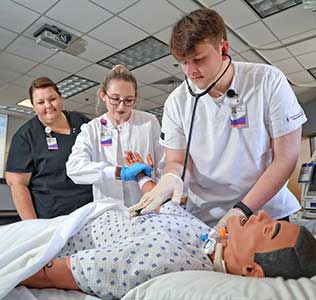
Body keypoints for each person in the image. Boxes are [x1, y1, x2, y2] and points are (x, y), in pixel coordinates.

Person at [129, 8, 307, 235]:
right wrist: (171, 178)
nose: (190, 71)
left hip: (266, 214)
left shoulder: (267, 81)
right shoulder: (176, 101)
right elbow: (177, 160)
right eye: (183, 62)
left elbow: (286, 157)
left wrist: (242, 209)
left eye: (198, 60)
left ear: (223, 49)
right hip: (205, 220)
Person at [19, 204, 316, 299]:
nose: (262, 214)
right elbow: (160, 205)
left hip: (57, 234)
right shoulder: (209, 240)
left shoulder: (168, 261)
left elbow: (50, 273)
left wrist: (15, 267)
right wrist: (148, 179)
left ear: (251, 271)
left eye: (269, 229)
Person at [66, 64, 163, 208]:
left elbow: (163, 165)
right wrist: (118, 172)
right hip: (108, 209)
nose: (121, 107)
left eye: (129, 100)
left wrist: (161, 196)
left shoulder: (148, 122)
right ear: (103, 95)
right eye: (115, 99)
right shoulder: (92, 129)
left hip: (146, 205)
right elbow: (74, 168)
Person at [5, 77, 93, 220]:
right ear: (34, 106)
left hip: (91, 210)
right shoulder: (25, 137)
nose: (48, 105)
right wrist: (33, 226)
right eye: (40, 102)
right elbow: (18, 185)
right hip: (54, 217)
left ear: (60, 97)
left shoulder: (80, 121)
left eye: (52, 99)